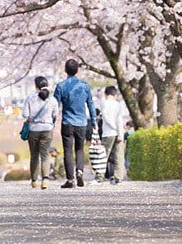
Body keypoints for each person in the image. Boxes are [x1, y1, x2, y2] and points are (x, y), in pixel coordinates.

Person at [54, 58, 97, 188]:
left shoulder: (61, 86)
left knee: (67, 151)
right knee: (79, 149)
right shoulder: (85, 86)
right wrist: (93, 120)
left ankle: (70, 180)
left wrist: (52, 122)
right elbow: (91, 104)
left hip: (67, 122)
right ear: (77, 70)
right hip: (82, 123)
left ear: (65, 70)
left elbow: (55, 106)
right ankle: (79, 171)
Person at [21, 76, 58, 189]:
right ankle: (45, 180)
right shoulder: (52, 99)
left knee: (34, 156)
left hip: (33, 129)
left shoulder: (30, 98)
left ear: (36, 86)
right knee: (45, 155)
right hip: (47, 129)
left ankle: (34, 181)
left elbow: (25, 115)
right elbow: (55, 115)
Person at [100, 85, 126, 184]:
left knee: (103, 156)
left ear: (105, 94)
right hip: (118, 132)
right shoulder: (119, 105)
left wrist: (114, 128)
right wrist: (120, 133)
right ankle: (118, 177)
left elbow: (106, 118)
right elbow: (120, 120)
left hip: (108, 133)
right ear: (115, 94)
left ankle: (100, 176)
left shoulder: (104, 103)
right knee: (119, 156)